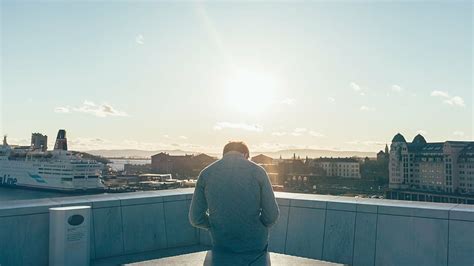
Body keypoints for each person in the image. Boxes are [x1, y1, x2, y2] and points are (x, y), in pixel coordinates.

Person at [189, 141, 280, 265]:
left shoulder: (206, 173)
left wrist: (215, 225)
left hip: (221, 243)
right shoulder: (258, 172)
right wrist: (257, 226)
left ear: (224, 154)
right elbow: (272, 215)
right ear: (245, 154)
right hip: (255, 245)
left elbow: (195, 218)